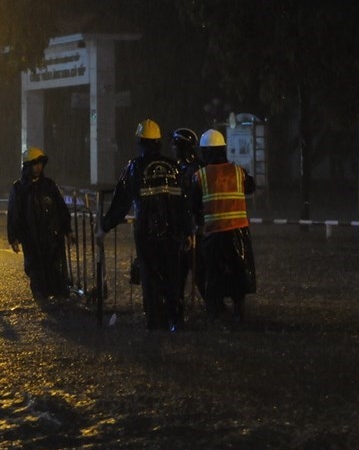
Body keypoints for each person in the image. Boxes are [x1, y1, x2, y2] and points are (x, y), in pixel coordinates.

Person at [97, 119, 191, 332]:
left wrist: (104, 227)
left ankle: (155, 322)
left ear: (140, 142)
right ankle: (175, 320)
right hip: (173, 232)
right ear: (158, 142)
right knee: (172, 276)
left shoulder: (134, 167)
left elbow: (120, 202)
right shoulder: (174, 167)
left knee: (150, 277)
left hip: (147, 233)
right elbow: (183, 202)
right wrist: (187, 231)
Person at [190, 129, 256, 321]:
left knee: (214, 272)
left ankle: (214, 311)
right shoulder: (238, 172)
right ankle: (239, 311)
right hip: (238, 231)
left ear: (206, 152)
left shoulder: (200, 175)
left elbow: (193, 204)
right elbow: (250, 187)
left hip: (214, 233)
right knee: (238, 271)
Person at [7, 147, 74, 302]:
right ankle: (41, 296)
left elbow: (61, 208)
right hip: (31, 238)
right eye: (35, 164)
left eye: (40, 164)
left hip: (52, 236)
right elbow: (14, 214)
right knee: (36, 268)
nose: (38, 167)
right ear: (27, 166)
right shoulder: (19, 188)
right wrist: (14, 238)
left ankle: (58, 294)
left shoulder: (49, 185)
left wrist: (68, 230)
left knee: (55, 267)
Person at [170, 127, 205, 305]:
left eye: (175, 145)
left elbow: (193, 201)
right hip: (182, 227)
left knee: (197, 269)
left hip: (193, 228)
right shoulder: (178, 168)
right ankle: (178, 304)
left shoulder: (195, 170)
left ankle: (213, 304)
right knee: (180, 271)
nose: (172, 148)